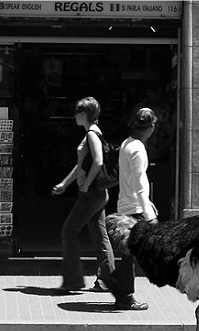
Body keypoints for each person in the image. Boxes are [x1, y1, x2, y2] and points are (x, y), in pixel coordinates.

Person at [51, 96, 115, 292]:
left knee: (68, 231)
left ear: (84, 114)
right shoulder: (94, 132)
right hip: (97, 193)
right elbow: (82, 165)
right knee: (100, 236)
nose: (74, 115)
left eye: (77, 112)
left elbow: (97, 161)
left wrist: (85, 186)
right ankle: (107, 280)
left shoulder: (92, 135)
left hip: (91, 194)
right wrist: (65, 183)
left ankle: (73, 280)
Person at [103, 107, 159, 311]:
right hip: (136, 208)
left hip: (126, 204)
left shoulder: (127, 143)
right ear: (150, 127)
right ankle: (124, 295)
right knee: (132, 254)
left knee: (130, 254)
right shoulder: (137, 149)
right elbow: (139, 183)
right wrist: (149, 214)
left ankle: (116, 283)